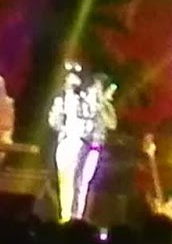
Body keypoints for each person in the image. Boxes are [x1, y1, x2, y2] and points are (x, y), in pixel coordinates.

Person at [48, 64, 90, 221]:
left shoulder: (84, 101)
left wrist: (83, 132)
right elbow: (53, 120)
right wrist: (62, 126)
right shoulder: (60, 100)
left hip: (79, 142)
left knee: (79, 180)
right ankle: (66, 214)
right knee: (65, 178)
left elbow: (89, 121)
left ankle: (77, 215)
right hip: (65, 140)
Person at [76, 72, 119, 221]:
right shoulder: (85, 102)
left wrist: (102, 105)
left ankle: (80, 216)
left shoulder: (106, 107)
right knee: (75, 181)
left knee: (85, 182)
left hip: (94, 147)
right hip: (79, 144)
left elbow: (112, 124)